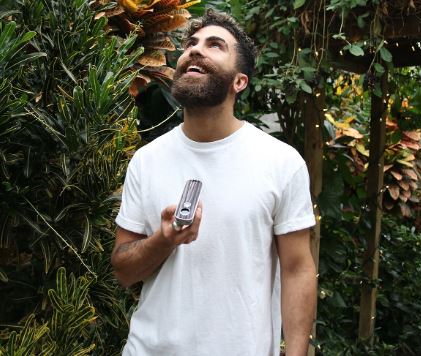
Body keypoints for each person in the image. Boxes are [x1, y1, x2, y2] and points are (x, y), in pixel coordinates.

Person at [112, 9, 317, 356]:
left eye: (214, 45)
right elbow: (123, 270)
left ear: (239, 81)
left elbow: (297, 269)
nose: (194, 49)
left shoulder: (281, 163)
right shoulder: (147, 161)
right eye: (191, 43)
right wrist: (164, 240)